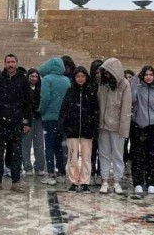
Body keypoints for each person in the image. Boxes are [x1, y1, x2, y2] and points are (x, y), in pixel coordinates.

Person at [0, 54, 32, 190]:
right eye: (8, 62)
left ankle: (15, 182)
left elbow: (28, 103)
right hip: (0, 122)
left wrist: (26, 122)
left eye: (13, 62)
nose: (10, 65)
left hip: (16, 122)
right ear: (4, 64)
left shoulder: (23, 80)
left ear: (17, 64)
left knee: (16, 153)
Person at [129, 65, 154, 197]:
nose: (148, 77)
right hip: (139, 126)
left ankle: (152, 182)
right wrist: (134, 80)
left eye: (151, 74)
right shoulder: (138, 89)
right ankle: (138, 182)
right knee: (138, 156)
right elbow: (132, 99)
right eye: (146, 74)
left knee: (153, 156)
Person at [96, 58, 132, 195]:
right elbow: (99, 104)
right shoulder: (103, 84)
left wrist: (123, 129)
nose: (106, 75)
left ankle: (117, 181)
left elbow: (126, 108)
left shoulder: (125, 85)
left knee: (118, 154)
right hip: (103, 126)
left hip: (117, 127)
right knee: (104, 154)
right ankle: (104, 180)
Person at [60, 66, 99, 191]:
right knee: (73, 158)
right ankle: (73, 181)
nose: (80, 79)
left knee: (87, 158)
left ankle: (85, 181)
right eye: (78, 76)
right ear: (74, 78)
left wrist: (93, 126)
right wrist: (65, 126)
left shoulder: (91, 92)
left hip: (87, 131)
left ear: (86, 77)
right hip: (73, 131)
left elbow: (95, 111)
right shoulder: (70, 91)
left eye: (82, 76)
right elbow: (64, 110)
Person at [37, 57, 70, 185]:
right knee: (60, 147)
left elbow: (45, 98)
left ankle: (51, 173)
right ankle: (61, 172)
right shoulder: (66, 80)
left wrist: (41, 110)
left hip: (49, 118)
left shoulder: (47, 79)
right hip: (62, 119)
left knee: (49, 146)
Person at [22, 68, 46, 179]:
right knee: (26, 144)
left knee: (39, 144)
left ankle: (39, 166)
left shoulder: (41, 89)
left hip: (38, 118)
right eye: (32, 76)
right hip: (27, 119)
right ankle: (27, 167)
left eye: (36, 76)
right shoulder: (24, 88)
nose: (34, 78)